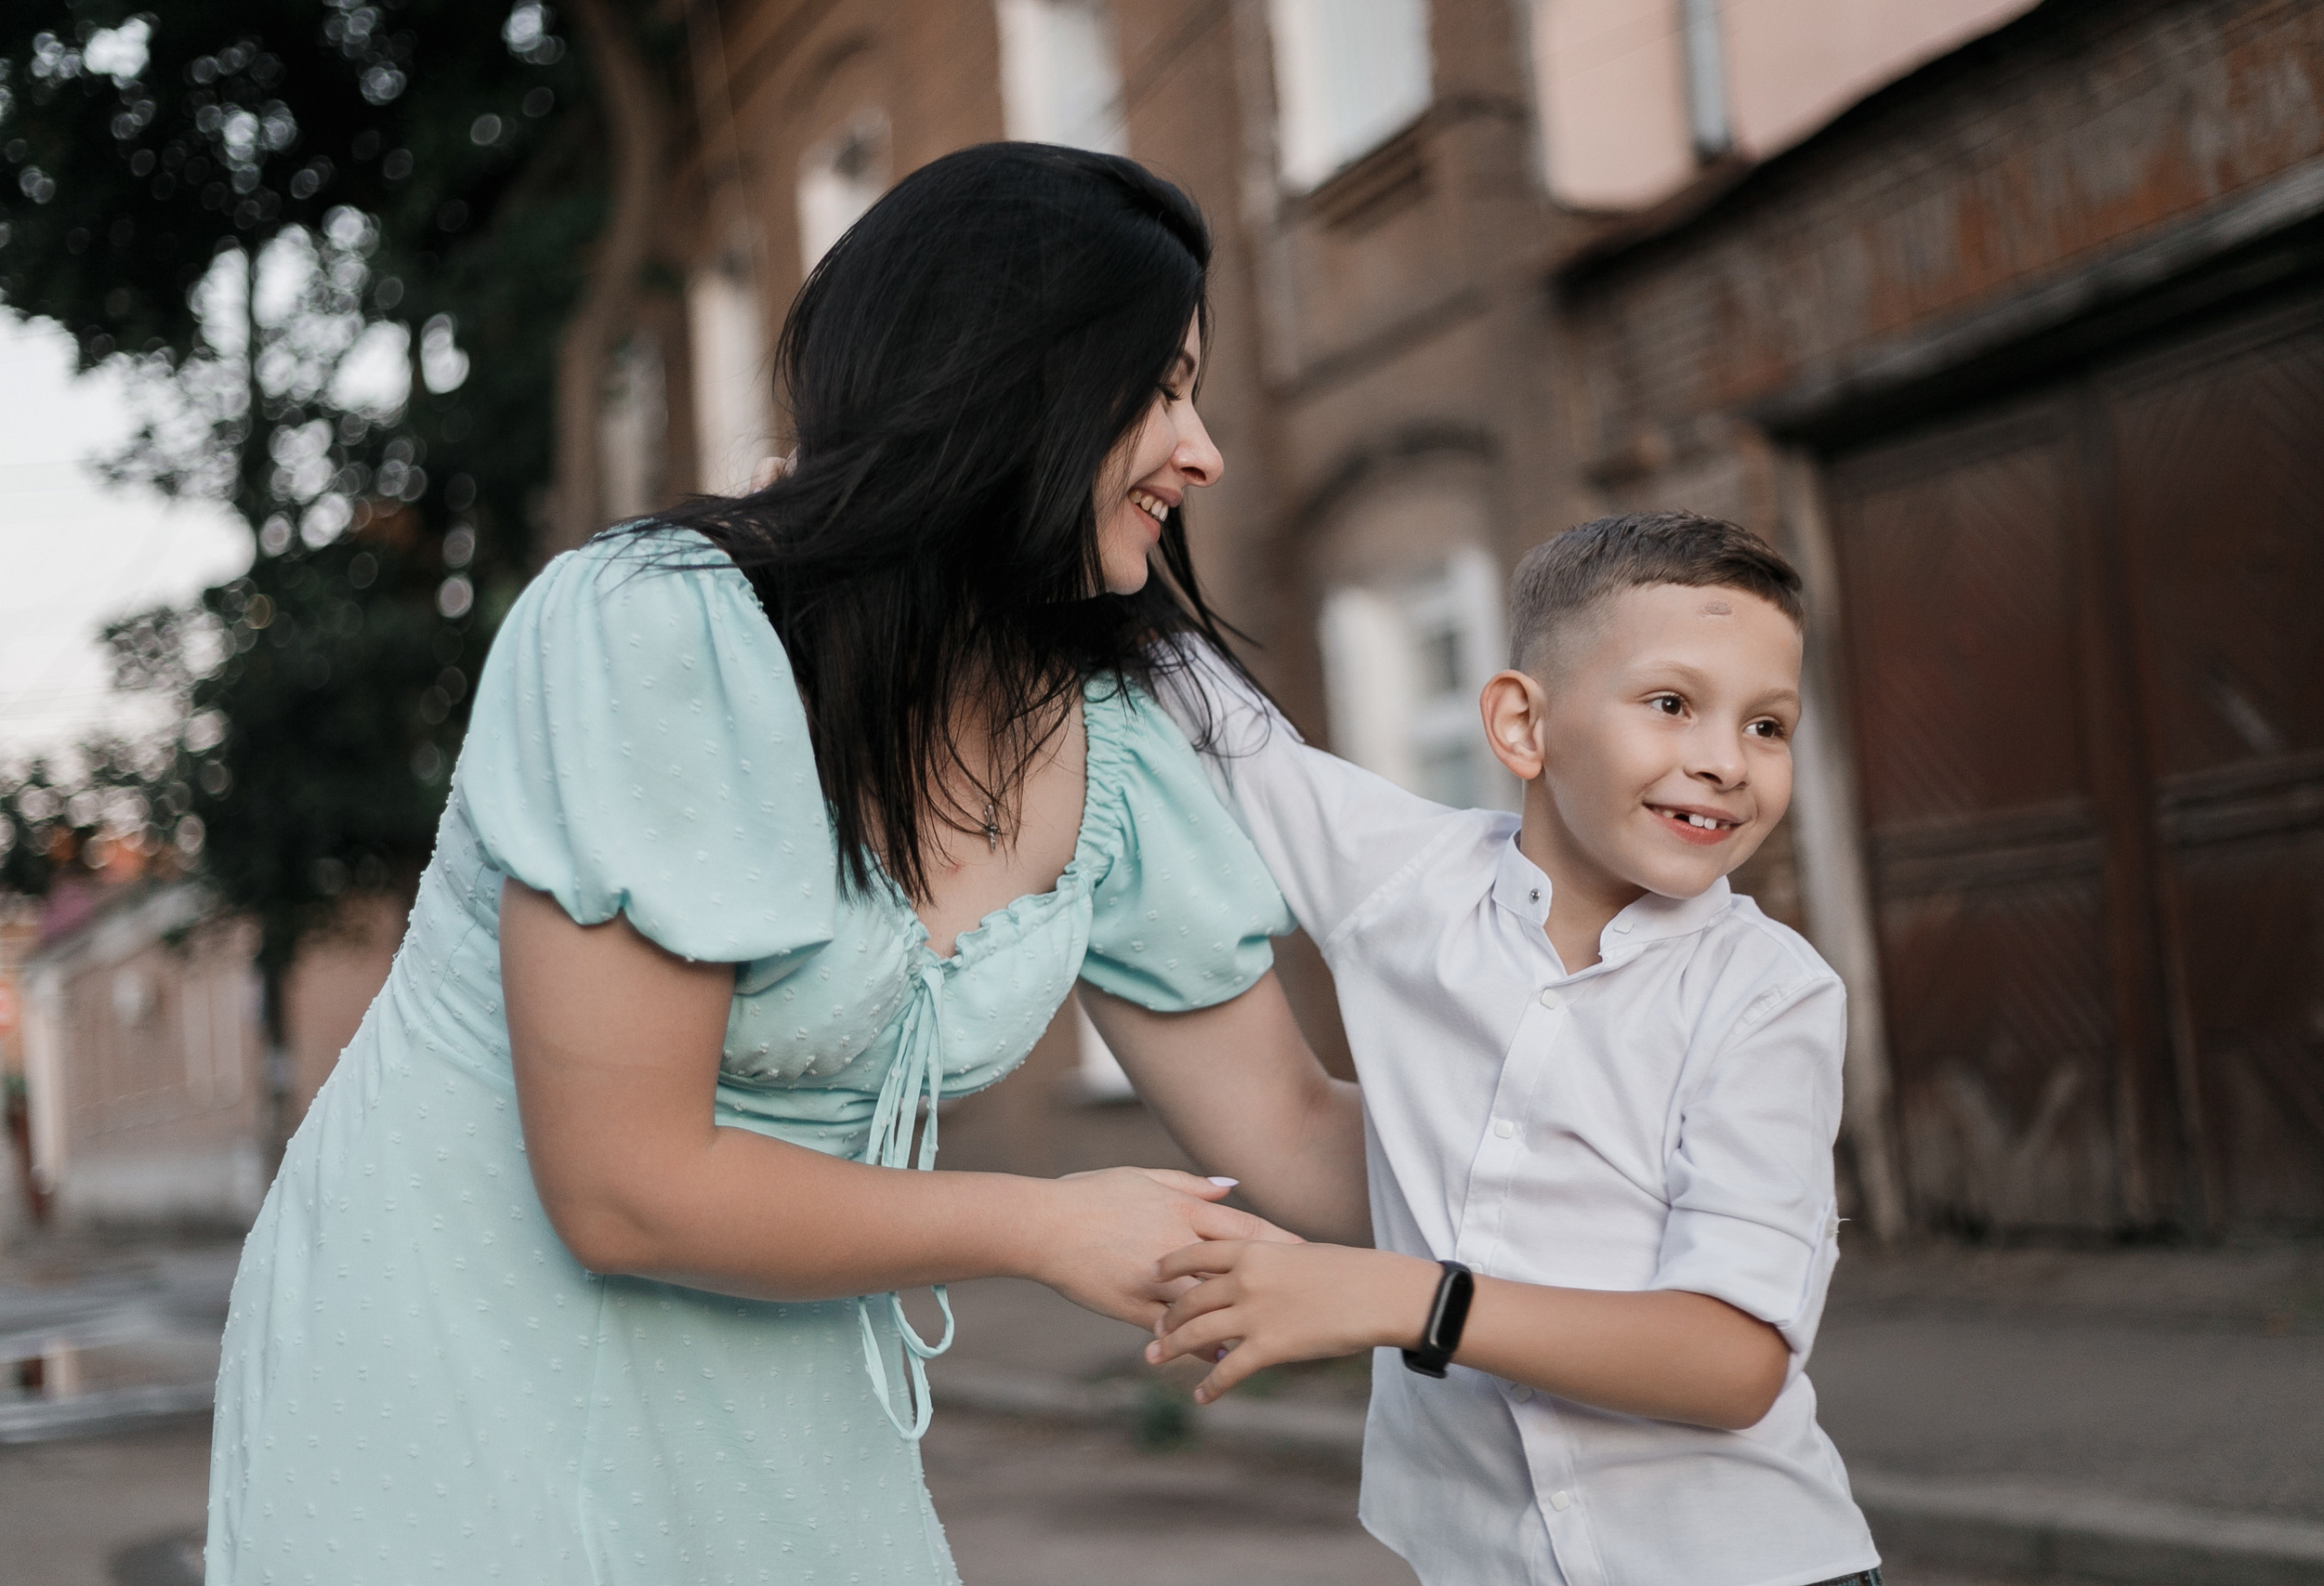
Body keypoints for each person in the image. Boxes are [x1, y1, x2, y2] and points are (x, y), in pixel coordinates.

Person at [205, 143, 1366, 1586]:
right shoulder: (657, 630)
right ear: (1015, 379)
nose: (1204, 453)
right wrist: (1042, 1220)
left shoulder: (1114, 746)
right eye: (1164, 385)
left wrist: (1636, 1182)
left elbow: (1297, 1129)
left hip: (787, 1374)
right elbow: (624, 1188)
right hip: (468, 1352)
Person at [1125, 512, 1883, 1586]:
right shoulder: (1402, 881)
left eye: (1768, 726)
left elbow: (1734, 1361)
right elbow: (1207, 709)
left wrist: (1403, 1300)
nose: (1724, 762)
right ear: (1522, 725)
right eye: (1671, 705)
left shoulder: (1768, 995)